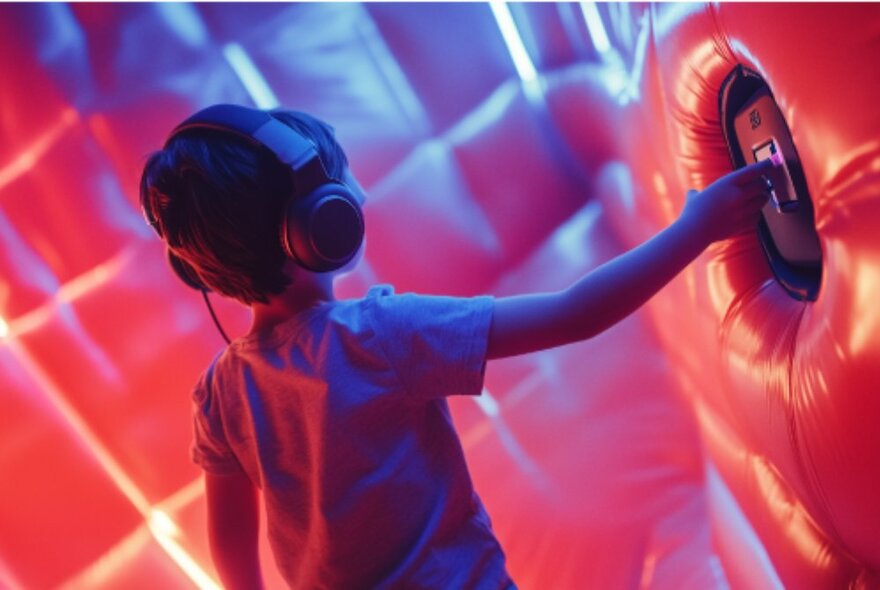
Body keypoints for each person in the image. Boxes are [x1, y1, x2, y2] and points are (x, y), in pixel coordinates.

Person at [140, 104, 775, 590]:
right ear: (319, 223)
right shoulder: (379, 335)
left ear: (198, 271)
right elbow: (575, 314)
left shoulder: (220, 393)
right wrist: (698, 228)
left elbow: (229, 545)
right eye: (339, 184)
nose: (357, 197)